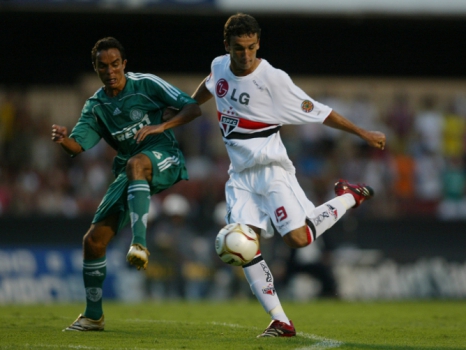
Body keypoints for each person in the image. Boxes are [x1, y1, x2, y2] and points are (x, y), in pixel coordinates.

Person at [179, 13, 386, 337]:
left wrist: (362, 132)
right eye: (238, 48)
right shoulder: (220, 65)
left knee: (298, 239)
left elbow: (320, 111)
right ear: (227, 46)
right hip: (240, 177)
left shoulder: (274, 80)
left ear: (258, 44)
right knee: (241, 243)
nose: (245, 55)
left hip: (272, 171)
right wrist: (186, 107)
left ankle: (350, 196)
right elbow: (209, 85)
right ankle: (280, 320)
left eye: (250, 47)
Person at [51, 37, 201, 331]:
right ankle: (93, 315)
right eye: (103, 66)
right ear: (95, 69)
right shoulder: (95, 106)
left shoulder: (145, 84)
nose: (110, 71)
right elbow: (77, 147)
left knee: (136, 163)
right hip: (130, 170)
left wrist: (161, 126)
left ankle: (139, 244)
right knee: (93, 242)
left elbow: (192, 108)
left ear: (124, 64)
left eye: (115, 64)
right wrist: (63, 139)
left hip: (165, 155)